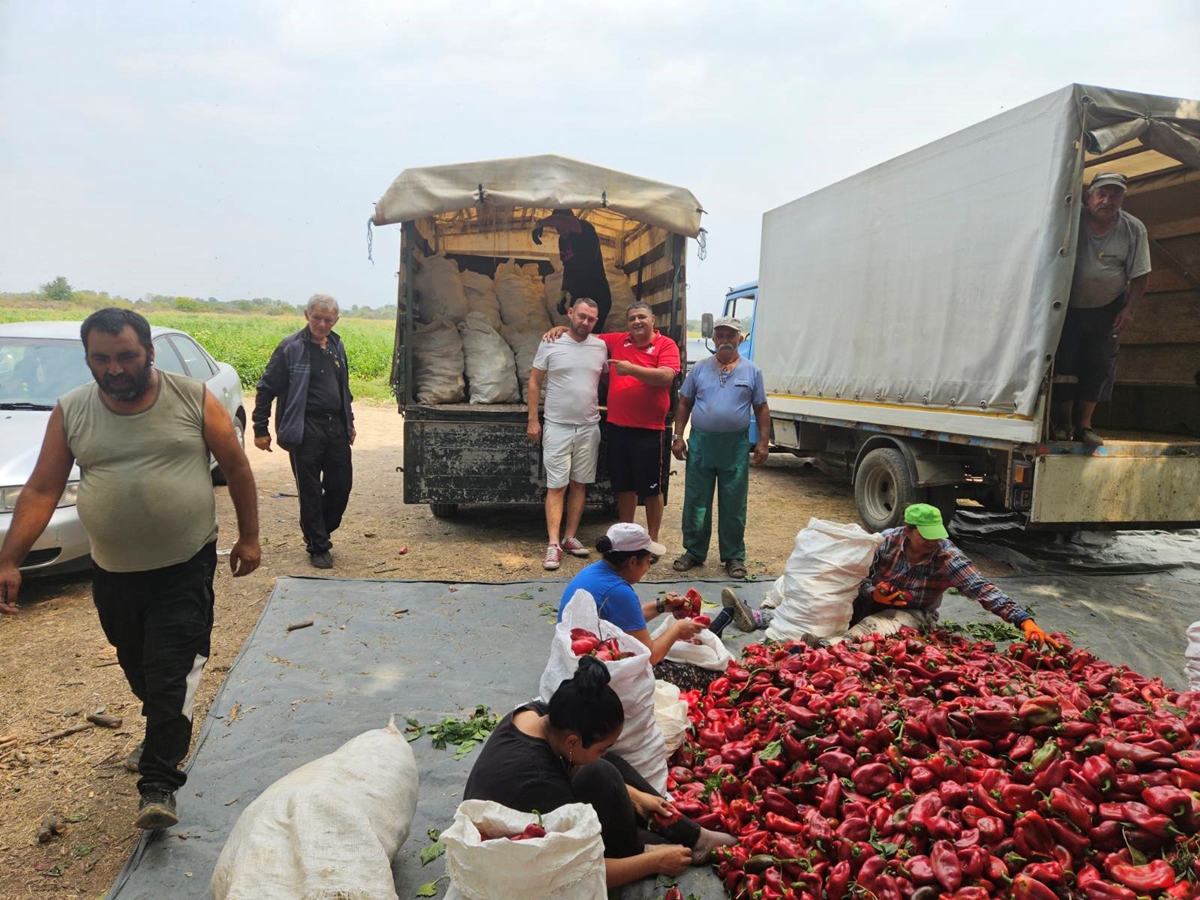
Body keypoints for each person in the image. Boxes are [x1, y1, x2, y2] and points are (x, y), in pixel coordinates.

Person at [0, 308, 261, 831]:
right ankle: (162, 724)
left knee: (171, 672)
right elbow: (43, 489)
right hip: (114, 571)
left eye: (125, 356)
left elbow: (234, 466)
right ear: (89, 359)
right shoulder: (72, 410)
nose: (114, 369)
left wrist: (249, 536)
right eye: (101, 358)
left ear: (148, 353)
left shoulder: (191, 397)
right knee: (137, 664)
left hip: (184, 564)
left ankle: (157, 783)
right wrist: (9, 559)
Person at [463, 656, 735, 888]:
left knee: (606, 765)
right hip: (512, 857)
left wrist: (638, 796)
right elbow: (576, 870)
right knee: (603, 772)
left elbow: (585, 762)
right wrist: (654, 862)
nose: (604, 751)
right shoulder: (539, 782)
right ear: (572, 741)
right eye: (602, 746)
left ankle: (692, 836)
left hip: (537, 809)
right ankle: (643, 849)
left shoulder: (539, 715)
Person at [712, 504, 1059, 649]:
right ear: (909, 530)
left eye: (938, 533)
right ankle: (765, 615)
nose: (935, 539)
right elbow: (854, 577)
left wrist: (1023, 621)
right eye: (927, 533)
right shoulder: (887, 542)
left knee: (874, 629)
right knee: (819, 587)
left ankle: (828, 647)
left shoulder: (946, 556)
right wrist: (873, 592)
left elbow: (981, 589)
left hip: (912, 612)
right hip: (868, 598)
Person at [543, 301, 681, 545]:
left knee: (651, 490)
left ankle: (652, 540)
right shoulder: (618, 340)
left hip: (649, 430)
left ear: (653, 320)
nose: (636, 322)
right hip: (618, 427)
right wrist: (563, 329)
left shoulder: (665, 344)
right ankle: (627, 537)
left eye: (641, 317)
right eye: (632, 319)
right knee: (624, 488)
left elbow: (666, 377)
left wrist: (631, 369)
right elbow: (585, 332)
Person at [253, 294, 356, 569]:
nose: (322, 324)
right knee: (309, 489)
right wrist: (260, 428)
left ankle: (320, 527)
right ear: (306, 315)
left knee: (341, 485)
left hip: (335, 426)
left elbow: (343, 388)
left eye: (328, 319)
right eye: (317, 318)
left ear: (336, 320)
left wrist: (350, 421)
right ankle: (318, 545)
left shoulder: (336, 344)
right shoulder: (290, 347)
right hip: (304, 427)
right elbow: (266, 388)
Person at [1053, 171, 1151, 447]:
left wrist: (1129, 310)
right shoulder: (1071, 221)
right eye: (1102, 194)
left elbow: (1141, 274)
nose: (1108, 200)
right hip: (1067, 308)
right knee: (1065, 365)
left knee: (1097, 366)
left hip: (1108, 308)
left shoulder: (1133, 228)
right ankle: (1062, 424)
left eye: (1115, 194)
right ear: (1089, 196)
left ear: (1123, 198)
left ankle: (1084, 426)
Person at [670, 317, 770, 579]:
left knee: (734, 504)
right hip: (702, 443)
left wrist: (762, 441)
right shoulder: (700, 369)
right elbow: (684, 403)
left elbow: (761, 407)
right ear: (713, 339)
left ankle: (733, 556)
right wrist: (678, 436)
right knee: (696, 501)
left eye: (731, 335)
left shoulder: (752, 371)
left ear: (740, 338)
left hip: (735, 446)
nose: (726, 339)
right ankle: (693, 551)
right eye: (721, 334)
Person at [528, 298, 608, 570]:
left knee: (580, 483)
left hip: (588, 425)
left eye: (591, 319)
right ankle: (553, 544)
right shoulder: (551, 342)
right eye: (581, 316)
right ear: (570, 313)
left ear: (596, 322)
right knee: (556, 485)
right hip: (557, 425)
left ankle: (570, 536)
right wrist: (532, 420)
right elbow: (534, 381)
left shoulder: (601, 346)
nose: (585, 322)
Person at [559, 523, 705, 669]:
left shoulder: (595, 570)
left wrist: (661, 605)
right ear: (633, 562)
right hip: (588, 673)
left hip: (571, 659)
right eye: (648, 561)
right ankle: (724, 618)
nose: (648, 567)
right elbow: (650, 657)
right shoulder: (619, 591)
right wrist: (677, 629)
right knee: (697, 669)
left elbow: (625, 618)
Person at [535, 209, 613, 331]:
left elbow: (562, 219)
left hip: (597, 296)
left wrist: (539, 224)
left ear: (572, 221)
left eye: (564, 225)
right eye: (558, 227)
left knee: (588, 337)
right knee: (576, 337)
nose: (562, 229)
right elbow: (568, 268)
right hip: (578, 297)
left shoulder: (585, 229)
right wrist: (563, 294)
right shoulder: (562, 241)